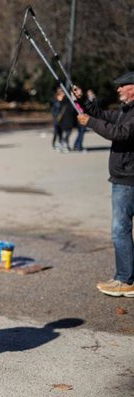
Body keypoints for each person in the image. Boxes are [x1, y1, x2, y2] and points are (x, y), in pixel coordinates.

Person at [73, 71, 134, 297]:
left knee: (120, 231)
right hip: (123, 178)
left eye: (123, 86)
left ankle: (125, 280)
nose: (118, 89)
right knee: (123, 230)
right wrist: (81, 101)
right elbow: (102, 115)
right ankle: (127, 277)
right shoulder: (125, 111)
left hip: (128, 180)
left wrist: (90, 123)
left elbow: (120, 133)